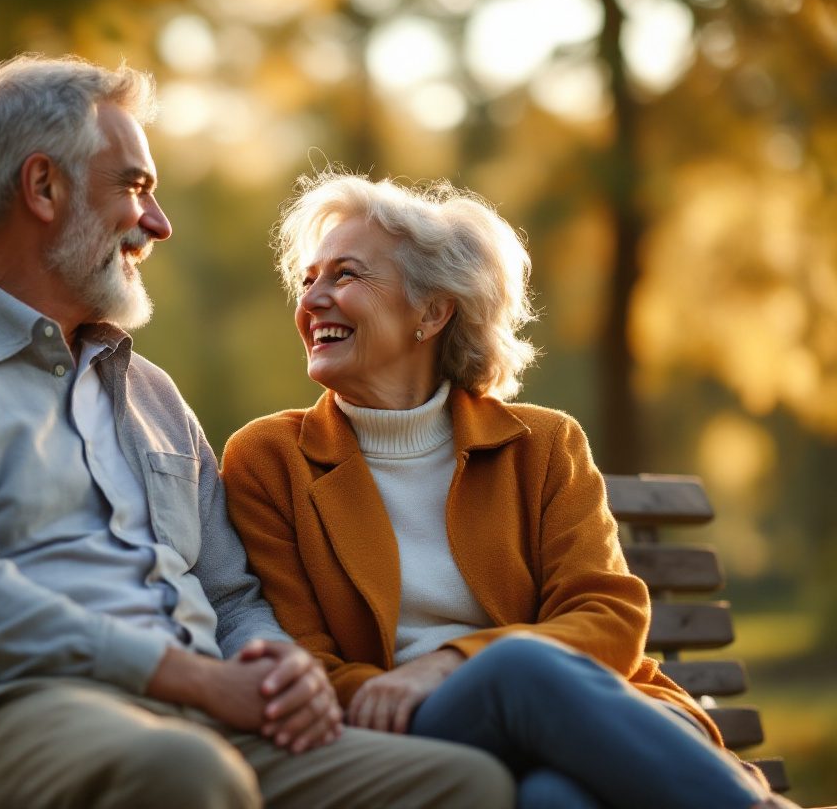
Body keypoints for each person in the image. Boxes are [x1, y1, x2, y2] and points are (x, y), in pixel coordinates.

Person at [0, 56, 515, 809]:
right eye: (135, 187)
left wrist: (275, 667)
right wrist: (195, 678)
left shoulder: (150, 394)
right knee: (182, 773)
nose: (158, 222)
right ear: (43, 187)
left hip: (191, 725)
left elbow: (230, 595)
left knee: (461, 783)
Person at [221, 171, 797, 809]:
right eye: (308, 280)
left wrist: (452, 660)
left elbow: (609, 618)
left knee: (552, 799)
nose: (313, 300)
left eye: (345, 275)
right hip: (419, 740)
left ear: (433, 312)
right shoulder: (271, 460)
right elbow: (308, 663)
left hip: (608, 725)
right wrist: (454, 678)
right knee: (516, 672)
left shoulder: (543, 444)